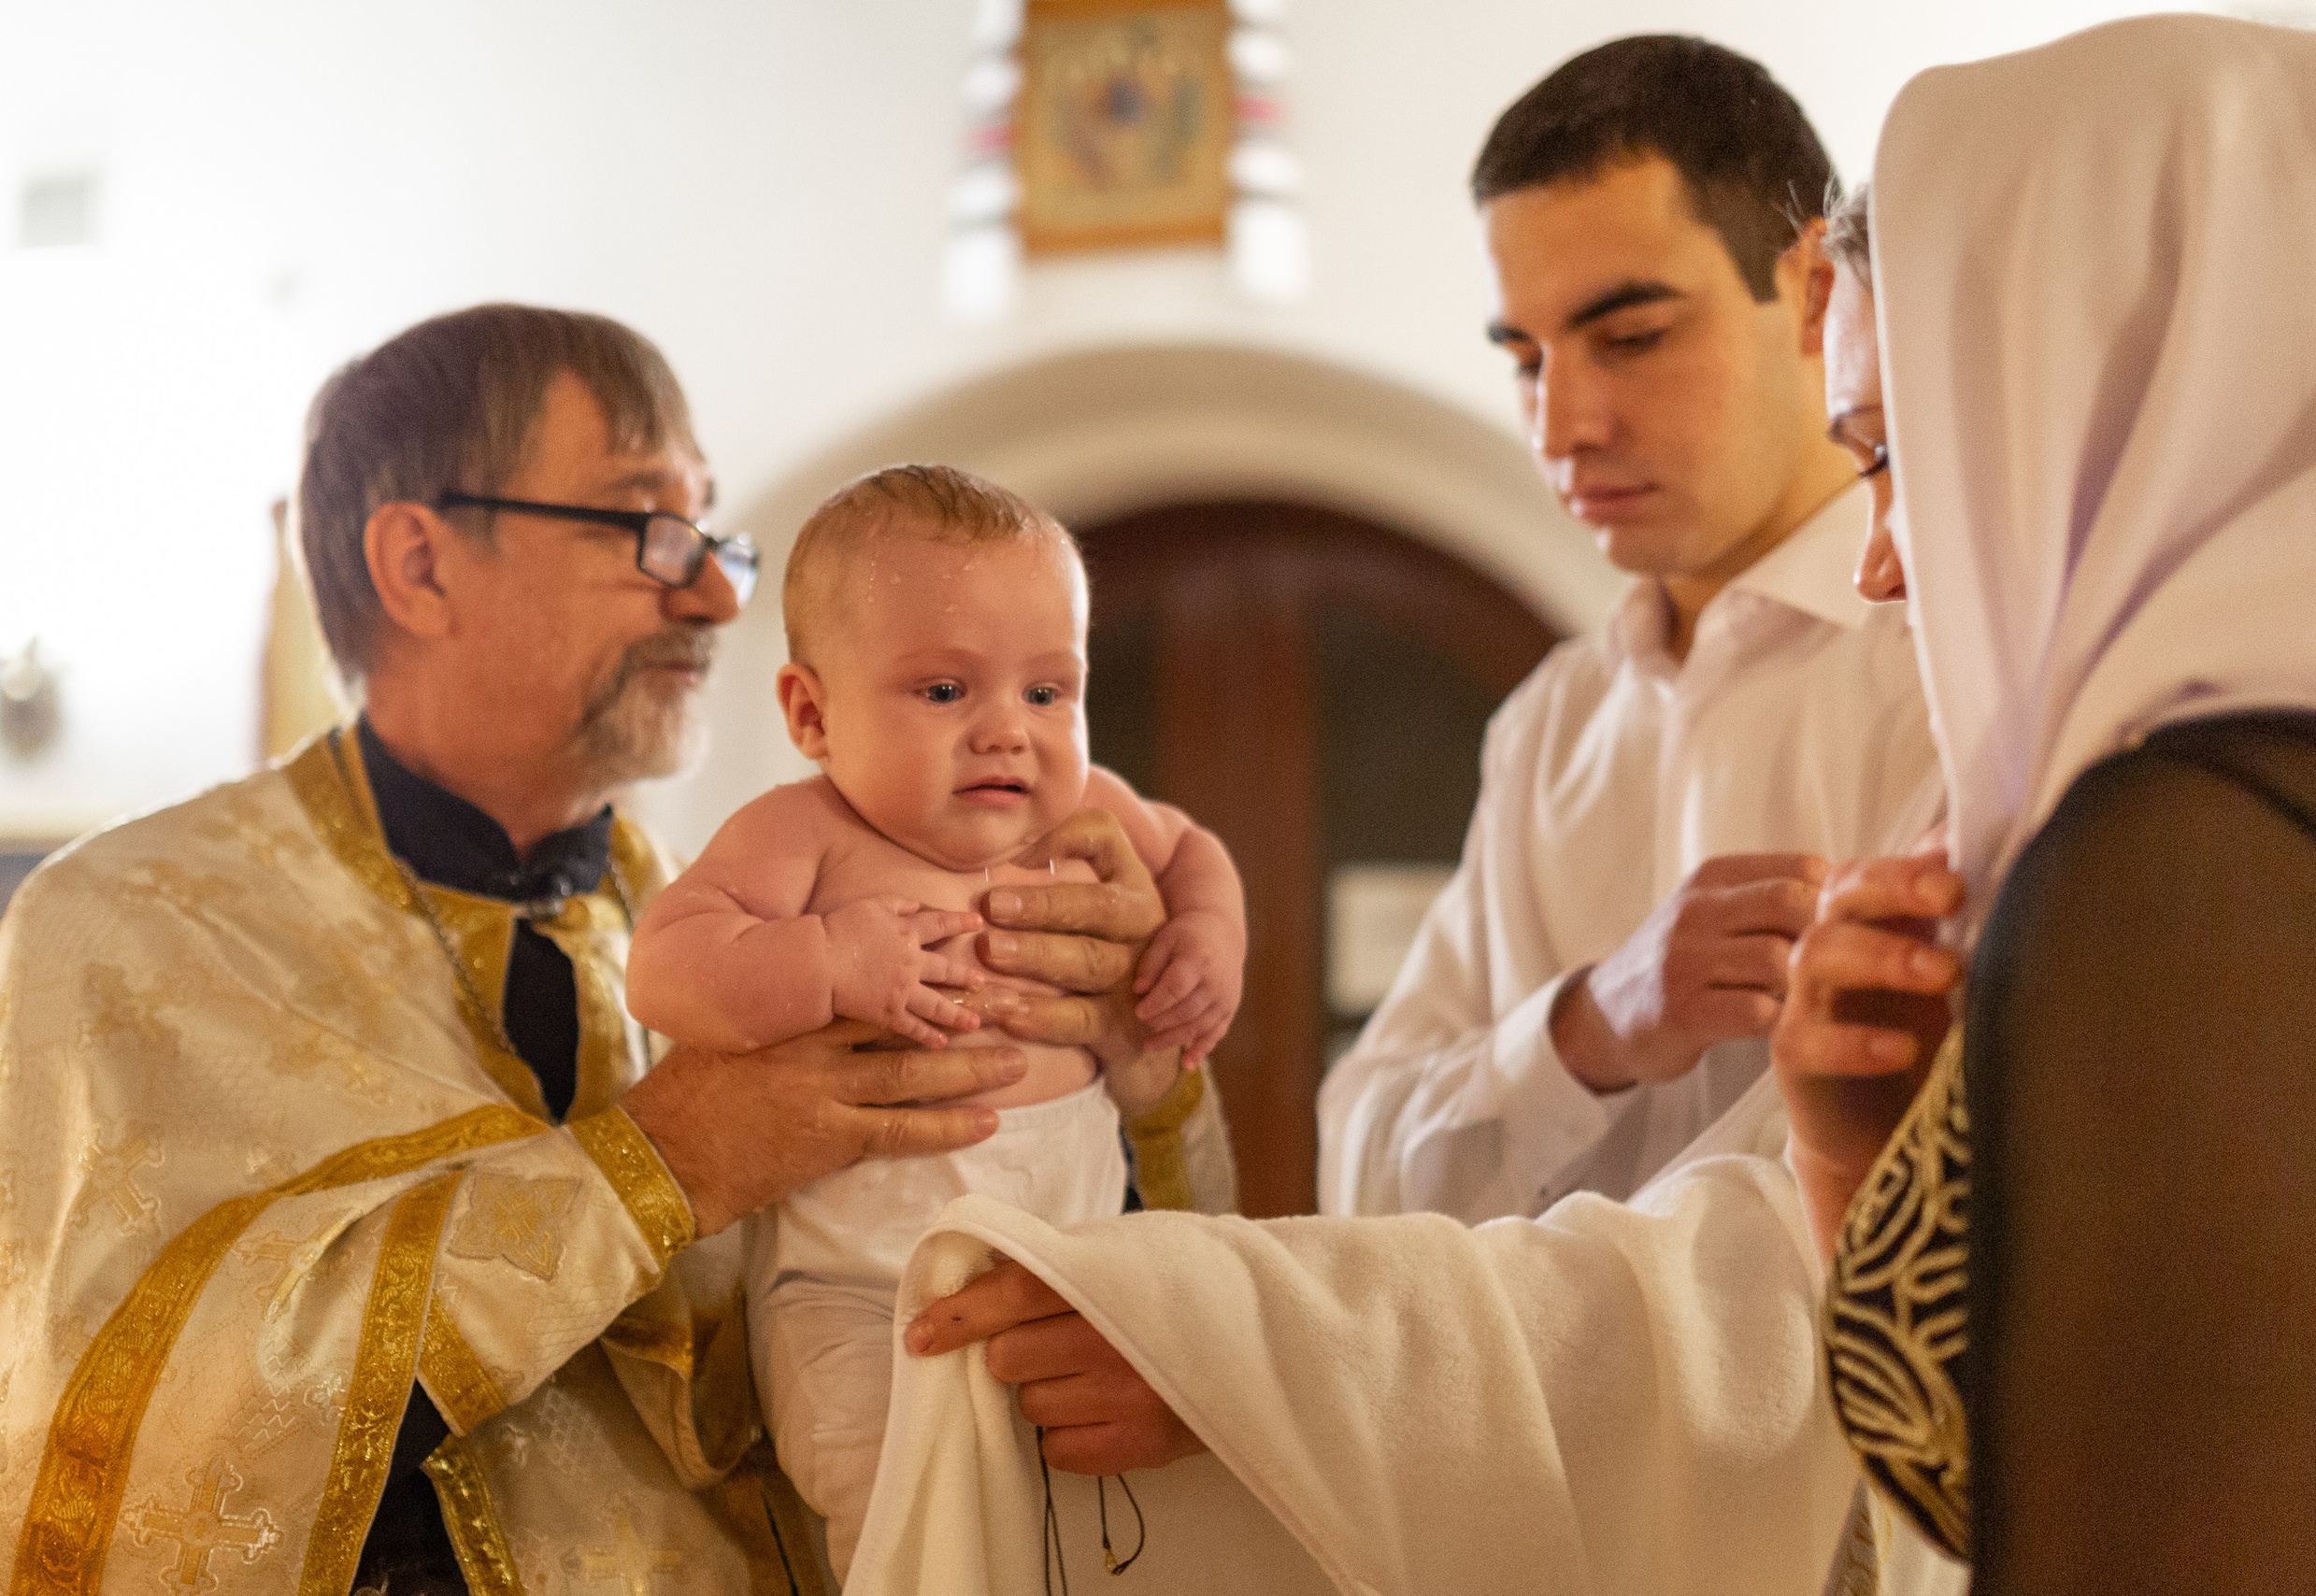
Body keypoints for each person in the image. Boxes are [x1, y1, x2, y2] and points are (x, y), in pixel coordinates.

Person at [0, 306, 1231, 1596]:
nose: (714, 594)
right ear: (420, 565)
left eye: (711, 535)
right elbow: (119, 1442)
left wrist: (1144, 1062)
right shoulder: (139, 925)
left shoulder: (733, 913)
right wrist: (667, 1162)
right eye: (647, 526)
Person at [1771, 19, 2316, 1594]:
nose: (1880, 562)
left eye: (1899, 455)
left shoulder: (2204, 856)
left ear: (2132, 389)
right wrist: (1879, 1162)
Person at [1319, 35, 1938, 1222]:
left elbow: (1872, 1209)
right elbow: (1358, 1162)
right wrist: (1587, 1028)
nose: (1560, 428)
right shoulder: (1550, 724)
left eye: (1632, 338)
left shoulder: (1944, 663)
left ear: (1814, 291)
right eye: (1524, 360)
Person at [625, 463, 1245, 1575]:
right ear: (812, 714)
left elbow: (1194, 848)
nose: (1008, 731)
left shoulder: (1088, 813)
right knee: (896, 1518)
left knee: (1077, 1532)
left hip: (1073, 1275)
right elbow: (664, 967)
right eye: (947, 690)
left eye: (1048, 692)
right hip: (862, 1294)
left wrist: (1205, 939)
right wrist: (826, 960)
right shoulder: (802, 834)